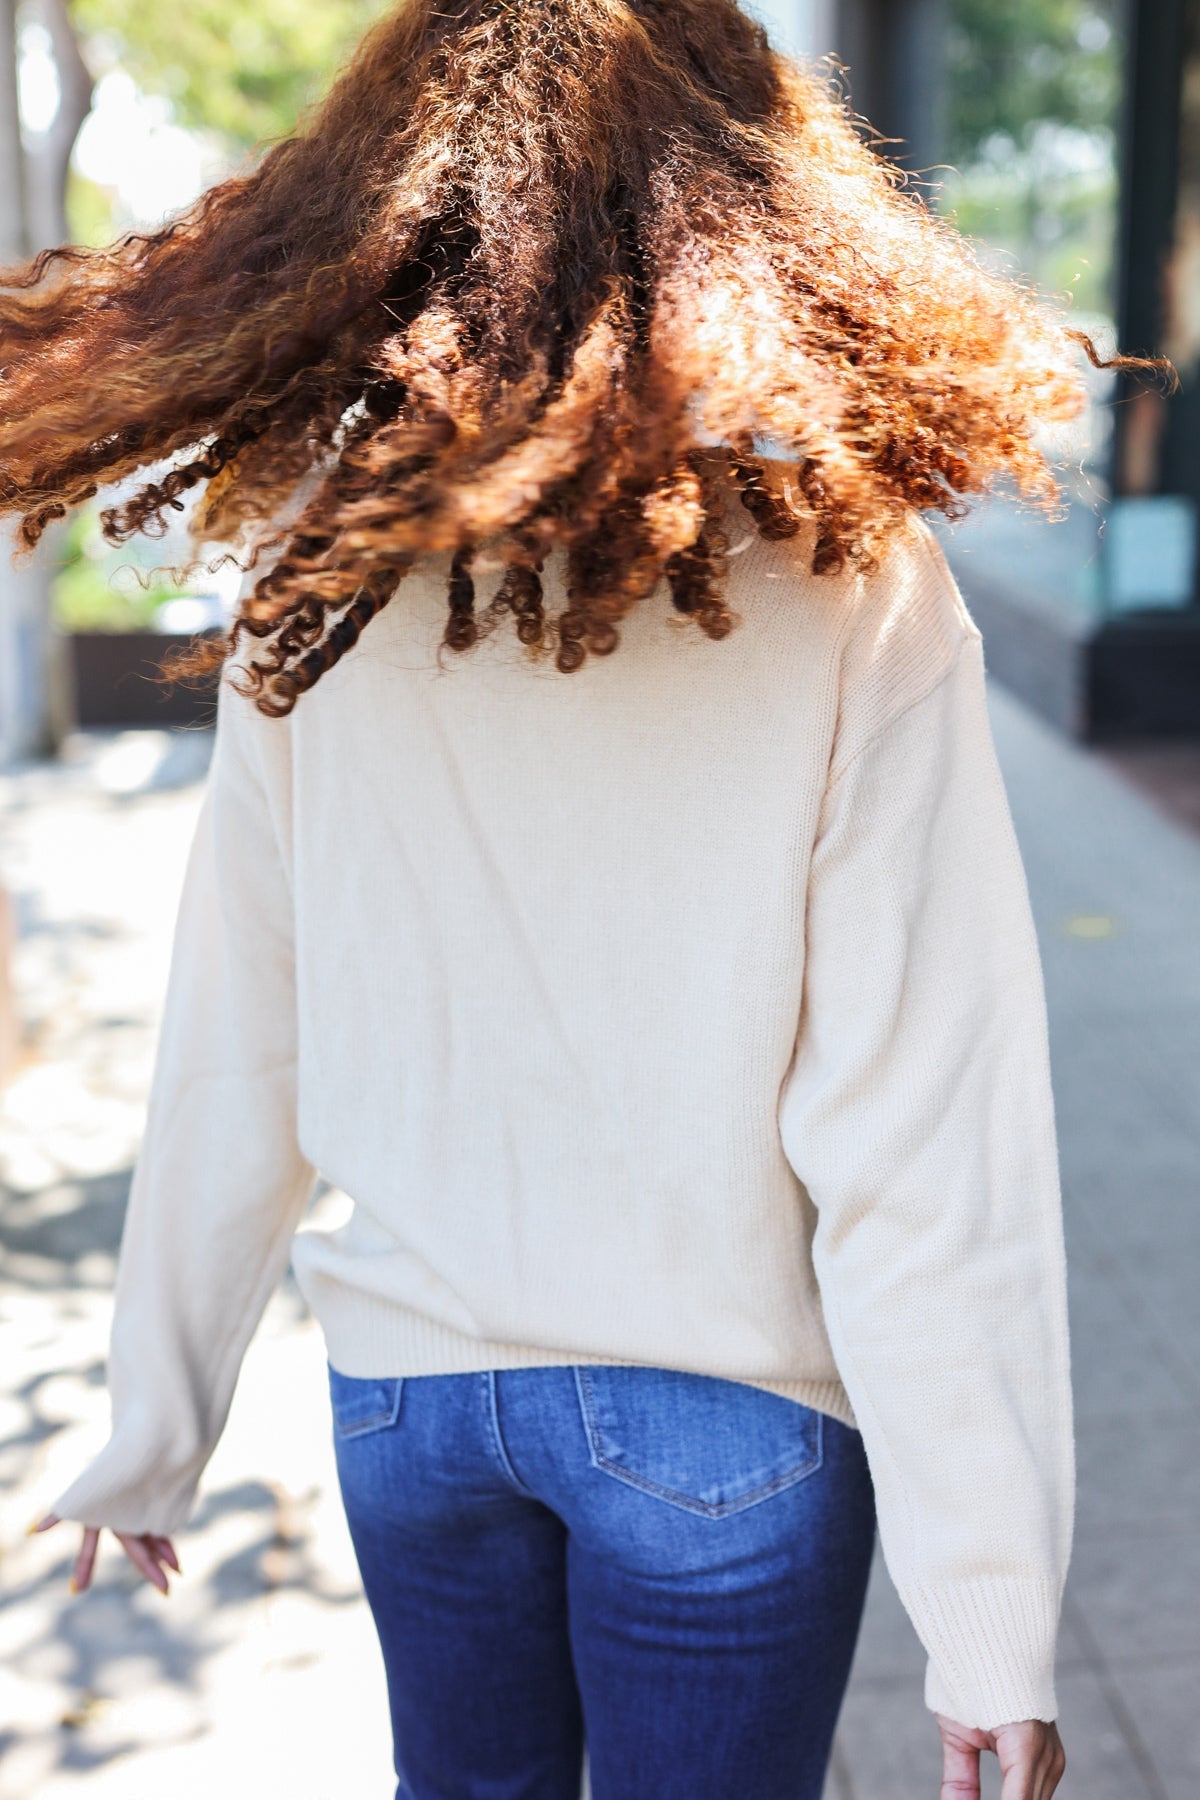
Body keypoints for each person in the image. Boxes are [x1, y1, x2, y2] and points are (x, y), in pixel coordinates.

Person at [7, 0, 1156, 1794]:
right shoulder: (851, 573)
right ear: (766, 205)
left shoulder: (335, 555)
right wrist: (991, 1617)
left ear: (390, 205)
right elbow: (924, 1135)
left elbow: (243, 1027)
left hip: (412, 1400)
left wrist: (157, 1425)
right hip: (730, 1422)